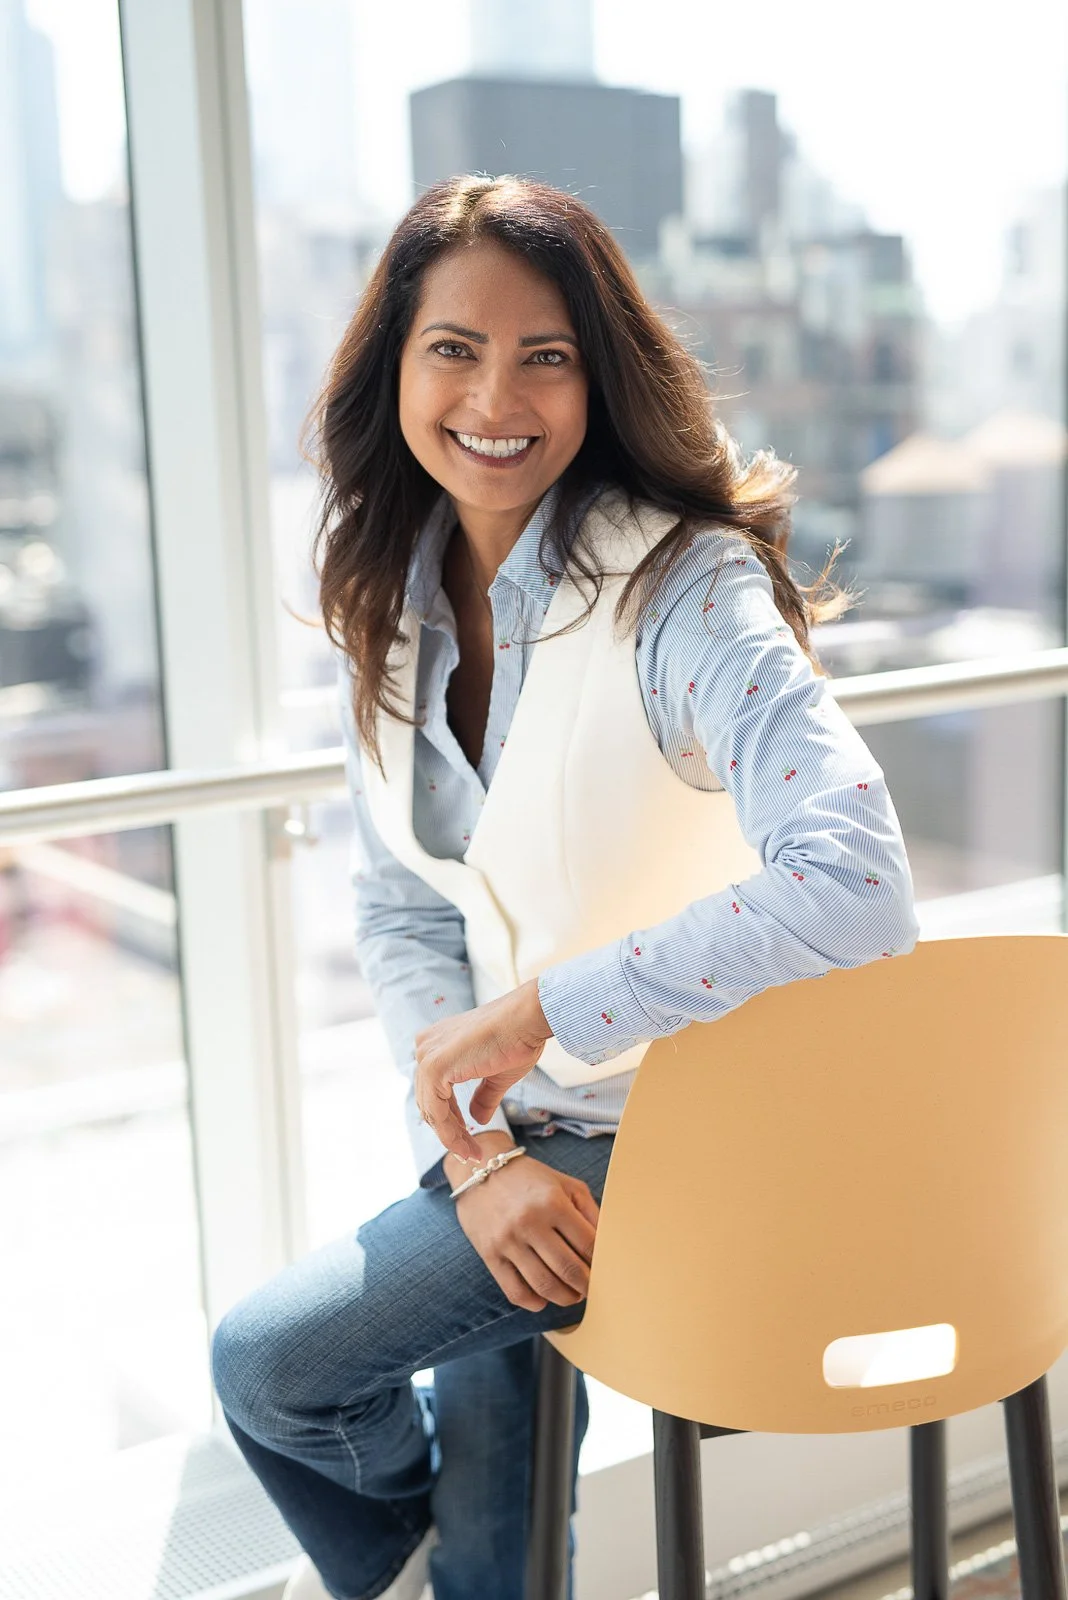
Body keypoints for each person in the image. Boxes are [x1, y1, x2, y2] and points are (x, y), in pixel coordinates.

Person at [209, 173, 920, 1600]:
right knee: (492, 1438)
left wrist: (538, 1017)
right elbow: (406, 907)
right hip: (528, 1141)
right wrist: (481, 1157)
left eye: (548, 354)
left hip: (705, 1139)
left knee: (271, 1365)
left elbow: (858, 884)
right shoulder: (388, 590)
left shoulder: (681, 589)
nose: (498, 394)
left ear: (604, 380)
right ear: (394, 369)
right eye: (454, 348)